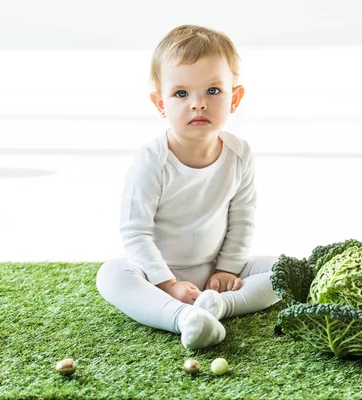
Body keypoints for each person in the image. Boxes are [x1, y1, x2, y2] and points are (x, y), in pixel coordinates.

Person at [96, 24, 280, 350]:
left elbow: (242, 218)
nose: (198, 104)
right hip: (157, 274)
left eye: (213, 91)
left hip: (215, 272)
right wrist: (167, 284)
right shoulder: (153, 160)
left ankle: (220, 307)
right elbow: (135, 231)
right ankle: (183, 317)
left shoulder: (239, 154)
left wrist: (226, 269)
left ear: (234, 98)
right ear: (160, 104)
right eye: (181, 94)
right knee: (111, 275)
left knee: (286, 271)